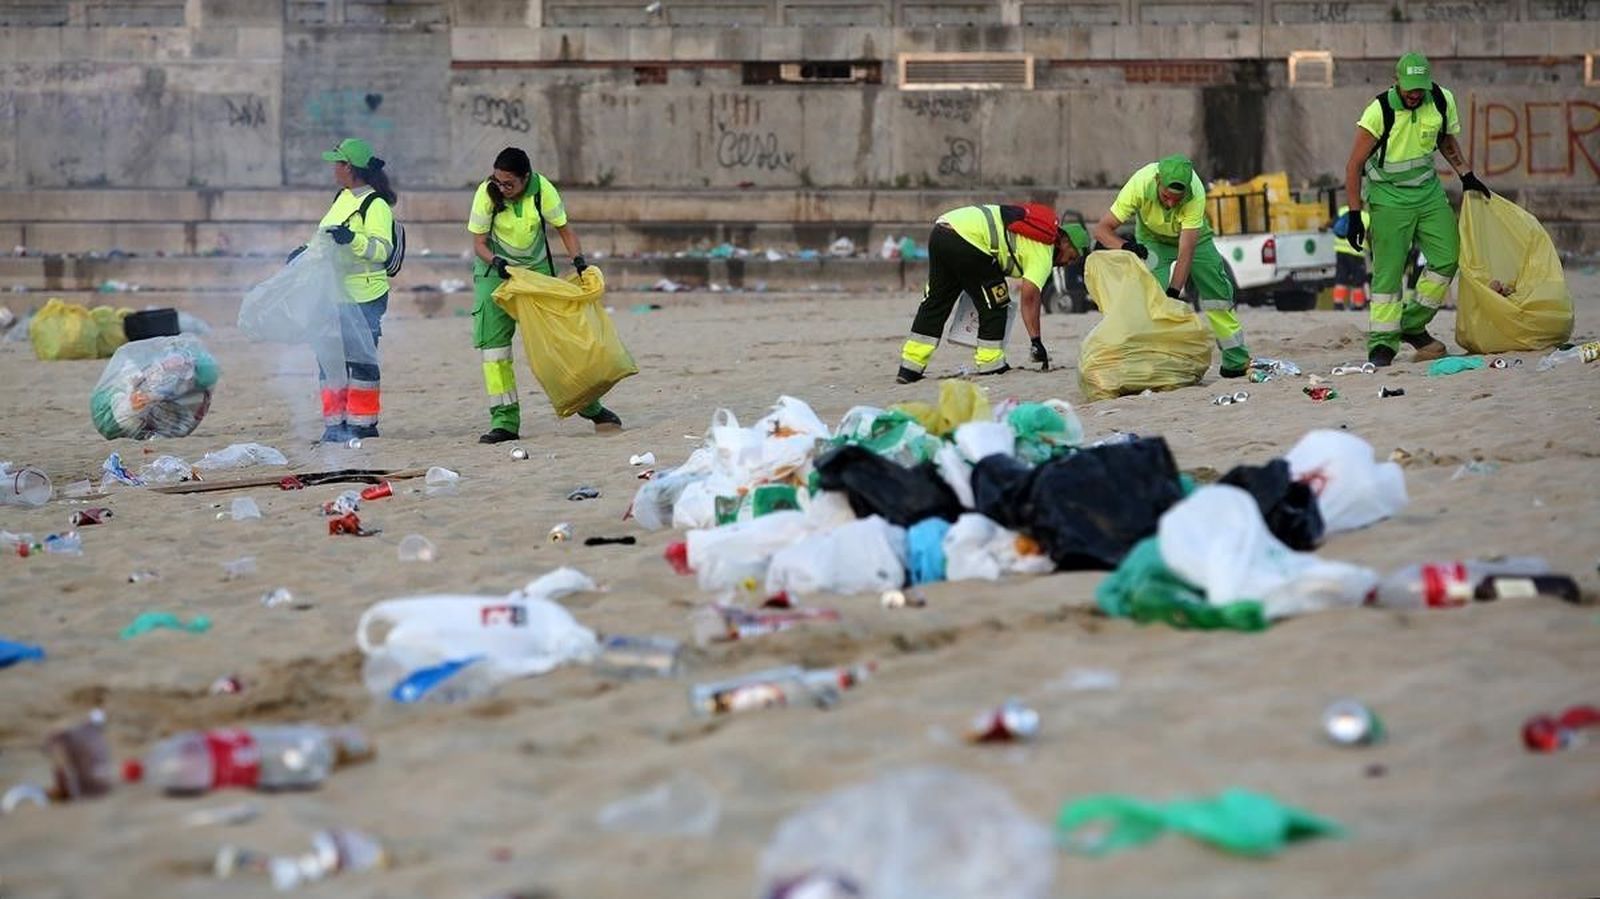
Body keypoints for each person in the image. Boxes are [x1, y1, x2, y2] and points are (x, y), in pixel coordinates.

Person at [1342, 52, 1490, 366]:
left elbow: (1446, 140)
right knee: (1388, 275)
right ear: (1396, 81)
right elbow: (1354, 165)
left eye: (1419, 88)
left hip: (1428, 194)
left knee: (1448, 258)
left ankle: (1411, 323)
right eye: (1409, 88)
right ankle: (1382, 343)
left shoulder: (1439, 99)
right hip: (1388, 199)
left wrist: (1466, 174)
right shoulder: (1378, 110)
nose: (1414, 94)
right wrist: (1355, 215)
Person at [467, 147, 620, 443]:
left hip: (536, 275)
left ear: (526, 179)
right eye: (498, 182)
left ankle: (590, 407)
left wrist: (579, 262)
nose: (502, 188)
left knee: (557, 346)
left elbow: (564, 230)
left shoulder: (542, 190)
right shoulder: (487, 193)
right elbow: (479, 244)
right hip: (494, 273)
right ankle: (505, 422)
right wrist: (497, 263)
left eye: (508, 183)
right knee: (494, 352)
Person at [1092, 155, 1252, 378]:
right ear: (1158, 181)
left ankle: (1235, 359)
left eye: (1178, 199)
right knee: (1149, 297)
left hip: (1195, 239)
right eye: (1166, 197)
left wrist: (1174, 293)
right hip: (1152, 238)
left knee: (1217, 293)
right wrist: (1128, 247)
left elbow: (1186, 251)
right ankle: (1151, 362)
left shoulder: (1195, 192)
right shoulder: (1140, 183)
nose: (1171, 204)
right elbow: (1101, 230)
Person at [895, 204, 1089, 384]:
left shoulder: (1035, 234)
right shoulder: (1044, 253)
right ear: (1063, 241)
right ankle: (991, 364)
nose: (1067, 264)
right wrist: (1036, 341)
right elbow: (1029, 297)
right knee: (996, 302)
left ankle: (910, 367)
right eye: (1071, 257)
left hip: (943, 230)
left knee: (936, 301)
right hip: (969, 240)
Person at [317, 137, 395, 443]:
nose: (333, 168)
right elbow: (323, 237)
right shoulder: (342, 197)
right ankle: (335, 425)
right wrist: (304, 252)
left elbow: (382, 251)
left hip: (366, 294)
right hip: (335, 292)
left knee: (360, 359)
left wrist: (353, 240)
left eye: (337, 162)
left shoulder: (376, 205)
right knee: (330, 359)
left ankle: (363, 425)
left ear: (349, 167)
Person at [1331, 204, 1371, 311]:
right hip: (1356, 253)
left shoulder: (1342, 210)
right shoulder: (1366, 216)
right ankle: (1358, 305)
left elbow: (1333, 224)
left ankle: (1338, 303)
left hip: (1340, 250)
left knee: (1341, 277)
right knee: (1358, 280)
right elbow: (1370, 235)